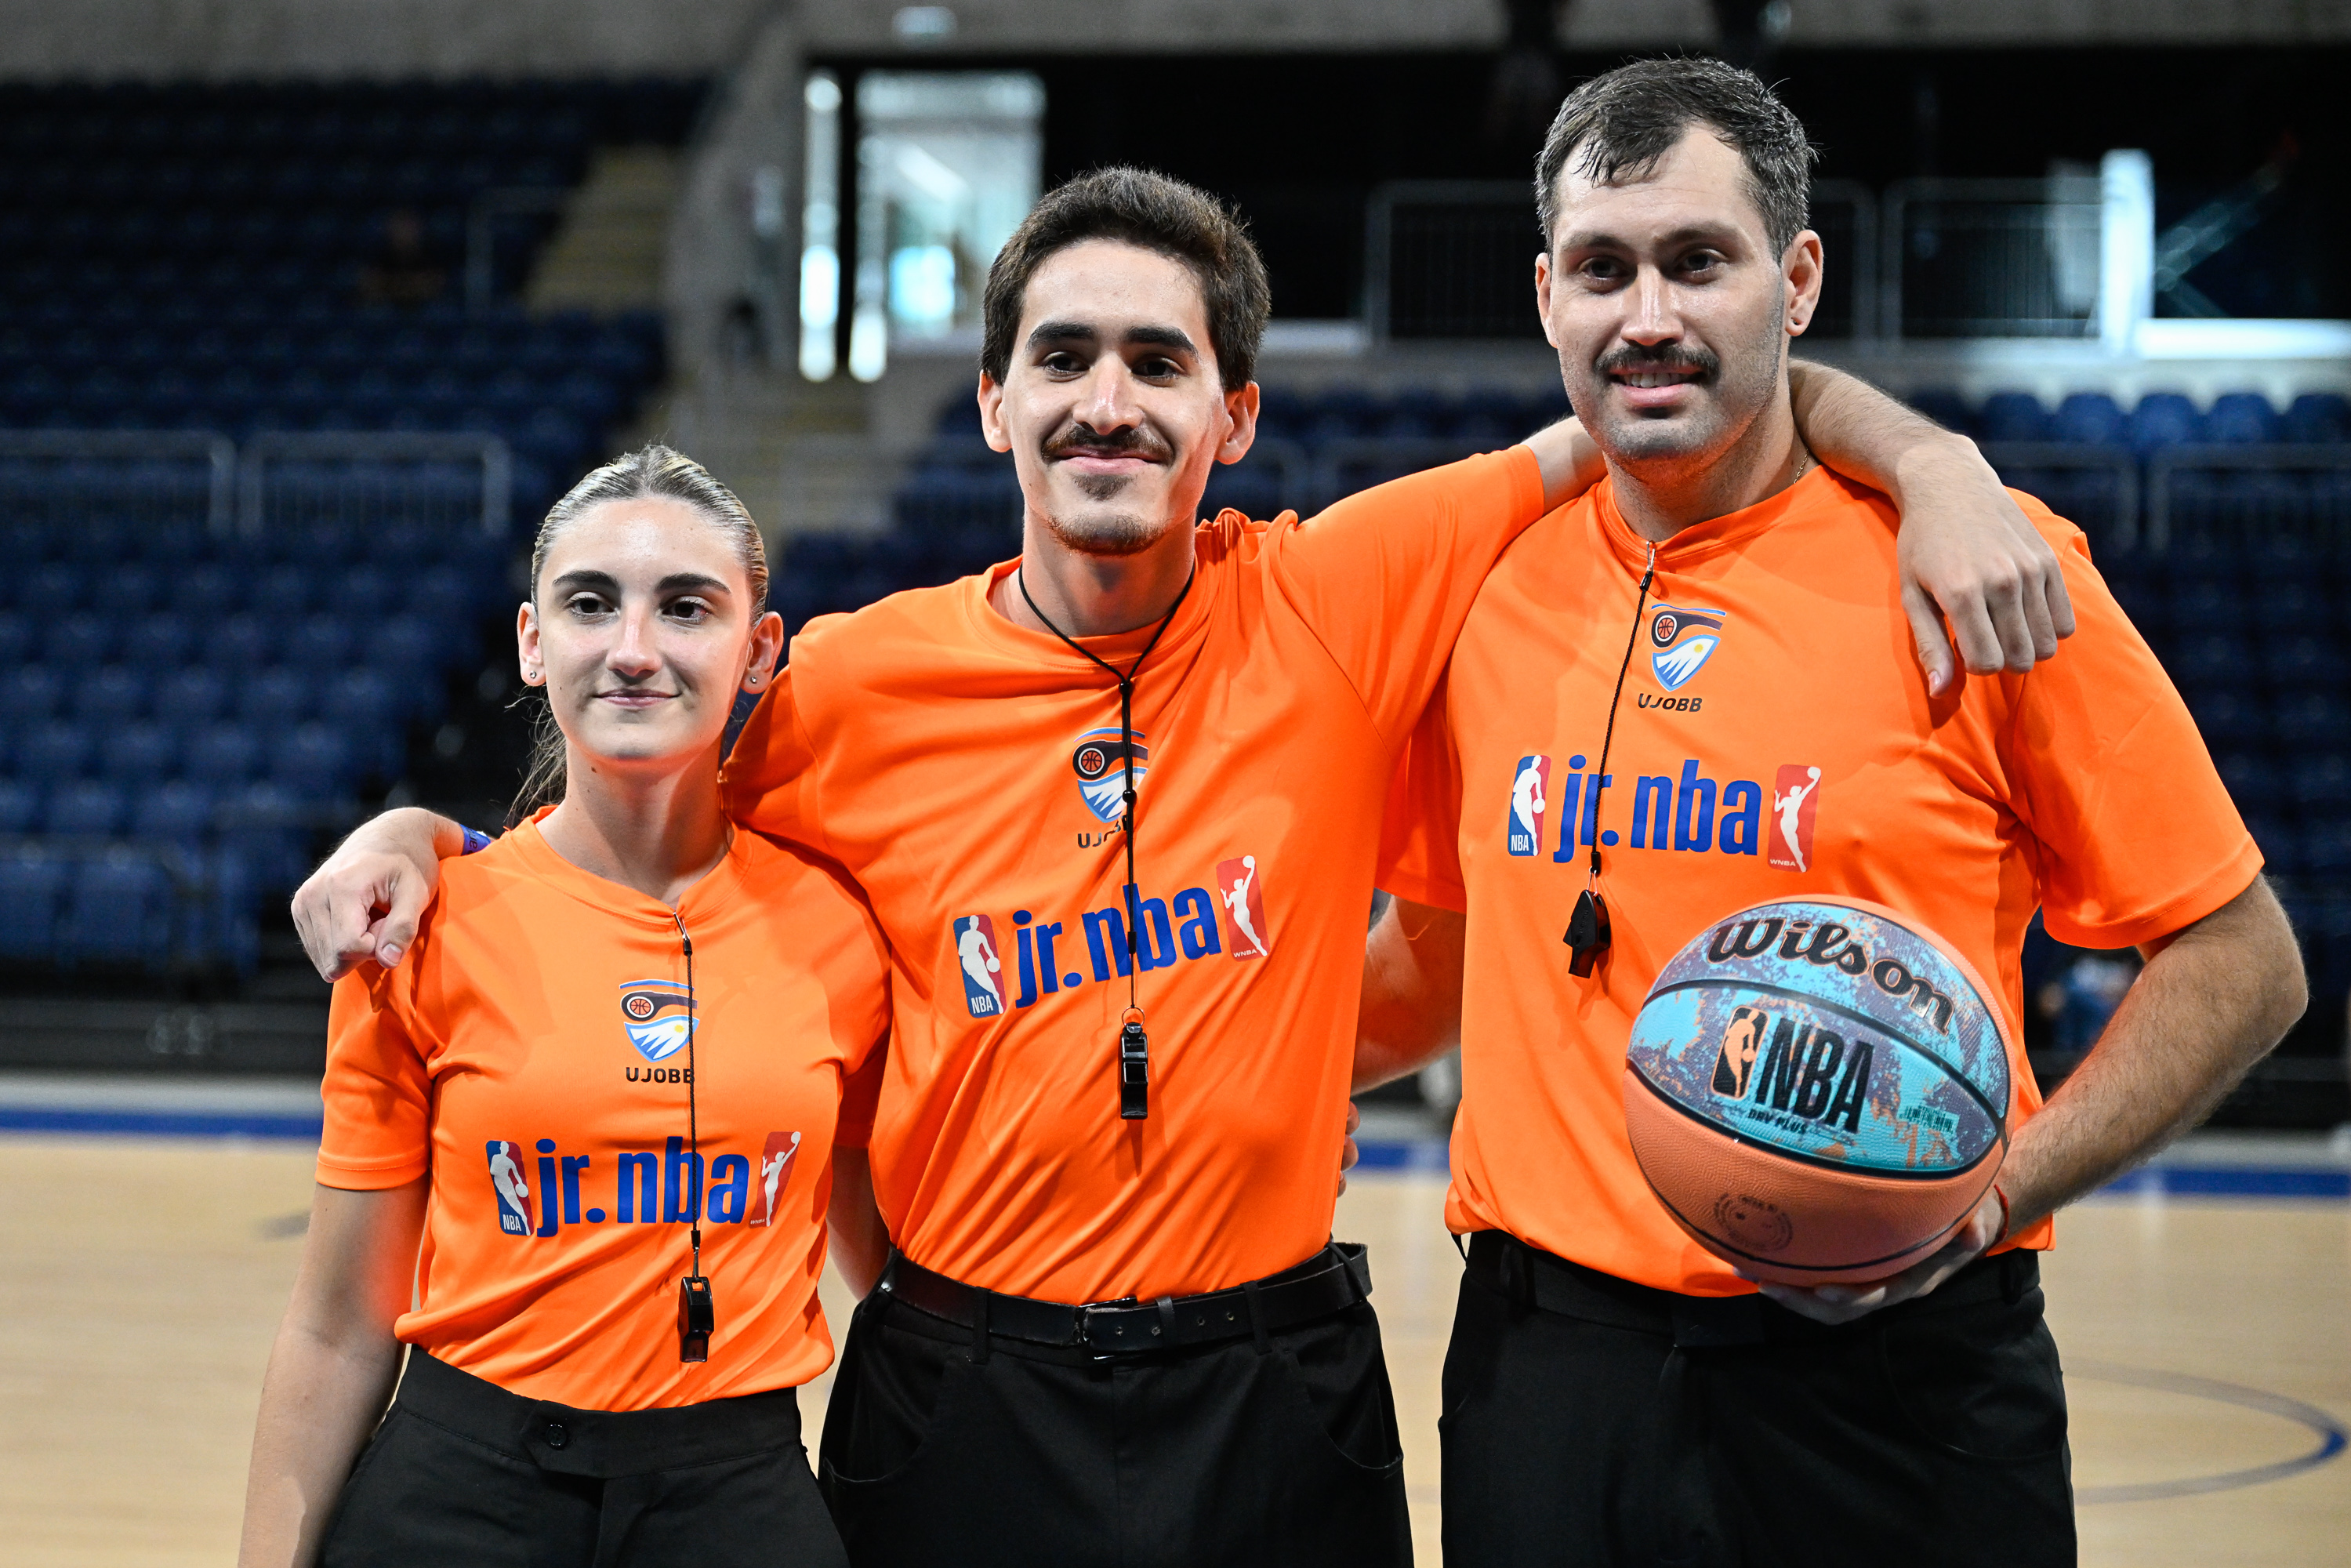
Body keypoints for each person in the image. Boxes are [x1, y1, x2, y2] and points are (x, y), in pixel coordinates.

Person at [289, 169, 2069, 1565]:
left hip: (1272, 1386)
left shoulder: (1340, 592)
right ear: (993, 406)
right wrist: (428, 844)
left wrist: (1928, 456)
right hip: (958, 1388)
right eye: (1062, 358)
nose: (1107, 401)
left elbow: (1657, 385)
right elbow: (617, 787)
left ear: (1238, 416)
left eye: (1160, 364)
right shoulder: (839, 682)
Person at [1355, 59, 2309, 1566]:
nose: (1649, 315)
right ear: (1547, 297)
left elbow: (2243, 959)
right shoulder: (1484, 583)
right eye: (1604, 268)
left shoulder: (1983, 570)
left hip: (1897, 1377)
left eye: (1699, 260)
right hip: (1552, 1371)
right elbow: (1435, 958)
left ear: (1797, 279)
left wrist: (1992, 1200)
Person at [238, 447, 891, 1568]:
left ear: (759, 651)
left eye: (687, 608)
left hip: (736, 1495)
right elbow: (339, 1326)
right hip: (462, 1490)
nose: (634, 649)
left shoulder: (842, 932)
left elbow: (886, 1268)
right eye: (591, 604)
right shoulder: (420, 927)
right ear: (535, 643)